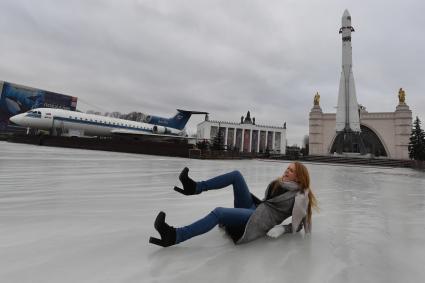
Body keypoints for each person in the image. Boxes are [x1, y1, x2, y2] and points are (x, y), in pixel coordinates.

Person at [149, 162, 318, 247]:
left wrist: (283, 229)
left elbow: (300, 225)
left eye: (290, 170)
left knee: (219, 212)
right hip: (255, 209)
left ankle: (175, 236)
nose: (286, 171)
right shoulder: (279, 183)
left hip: (257, 221)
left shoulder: (301, 197)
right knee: (236, 175)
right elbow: (267, 202)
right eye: (287, 168)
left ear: (298, 177)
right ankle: (194, 187)